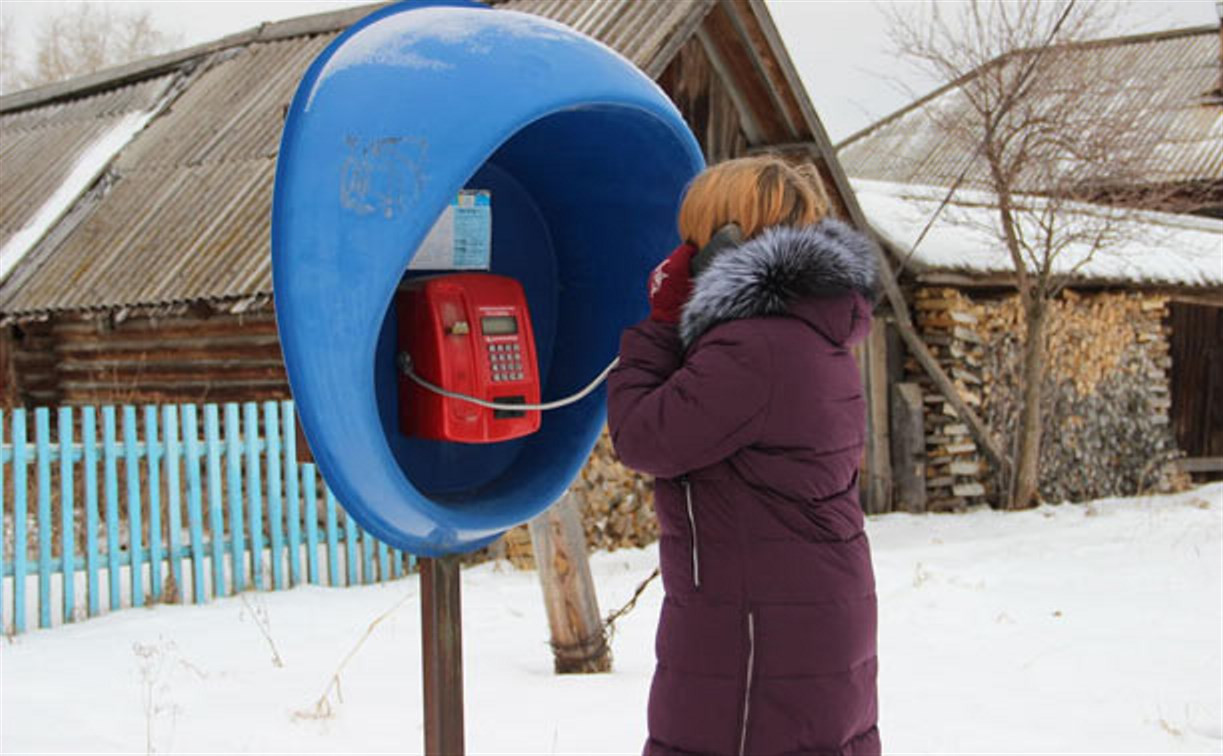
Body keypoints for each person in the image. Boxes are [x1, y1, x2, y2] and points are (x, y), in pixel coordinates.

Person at [606, 156, 882, 756]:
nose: (682, 249)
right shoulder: (803, 330)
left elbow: (643, 435)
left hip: (759, 629)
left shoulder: (754, 348)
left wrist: (661, 321)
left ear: (725, 241)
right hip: (794, 610)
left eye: (693, 236)